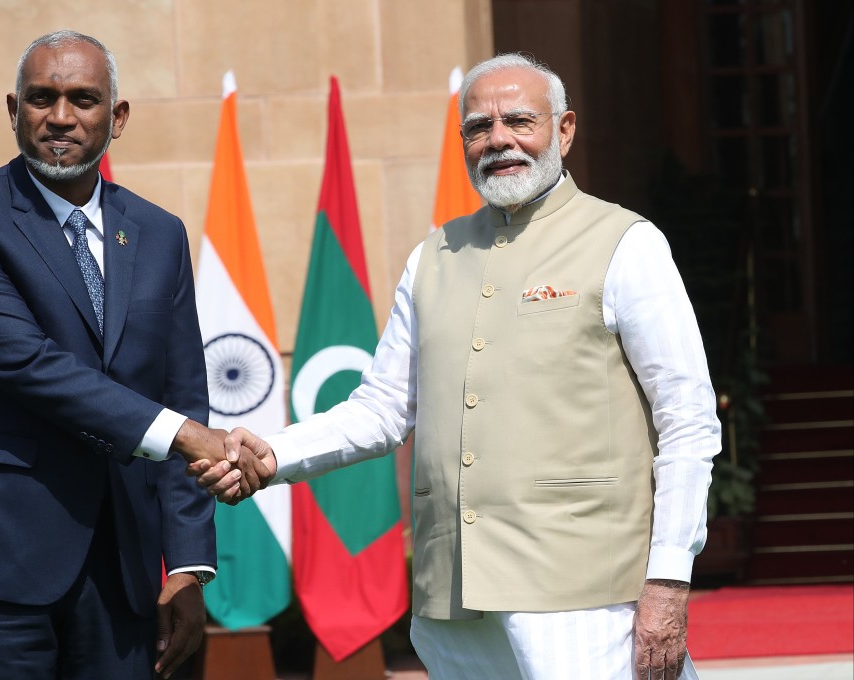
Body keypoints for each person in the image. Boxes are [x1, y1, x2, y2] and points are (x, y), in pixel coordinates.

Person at [195, 53, 720, 680]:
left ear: (565, 130)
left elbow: (687, 419)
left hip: (584, 593)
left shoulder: (627, 243)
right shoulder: (433, 256)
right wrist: (275, 455)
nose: (499, 139)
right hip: (454, 596)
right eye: (479, 127)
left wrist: (668, 577)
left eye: (520, 121)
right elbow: (383, 408)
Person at [0, 30, 266, 680]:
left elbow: (183, 387)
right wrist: (189, 437)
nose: (60, 116)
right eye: (41, 98)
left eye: (82, 99)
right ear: (13, 108)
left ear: (118, 116)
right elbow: (30, 365)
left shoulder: (160, 233)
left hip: (125, 576)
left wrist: (188, 567)